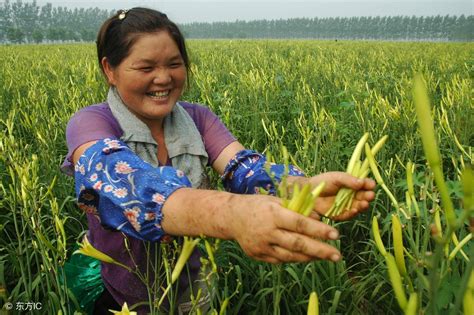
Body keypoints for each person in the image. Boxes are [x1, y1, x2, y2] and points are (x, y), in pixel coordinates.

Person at [61, 7, 376, 314]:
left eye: (174, 63)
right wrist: (232, 215)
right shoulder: (89, 123)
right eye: (146, 68)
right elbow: (125, 185)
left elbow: (247, 170)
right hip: (121, 295)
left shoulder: (198, 118)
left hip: (193, 289)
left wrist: (302, 188)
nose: (163, 78)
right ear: (110, 69)